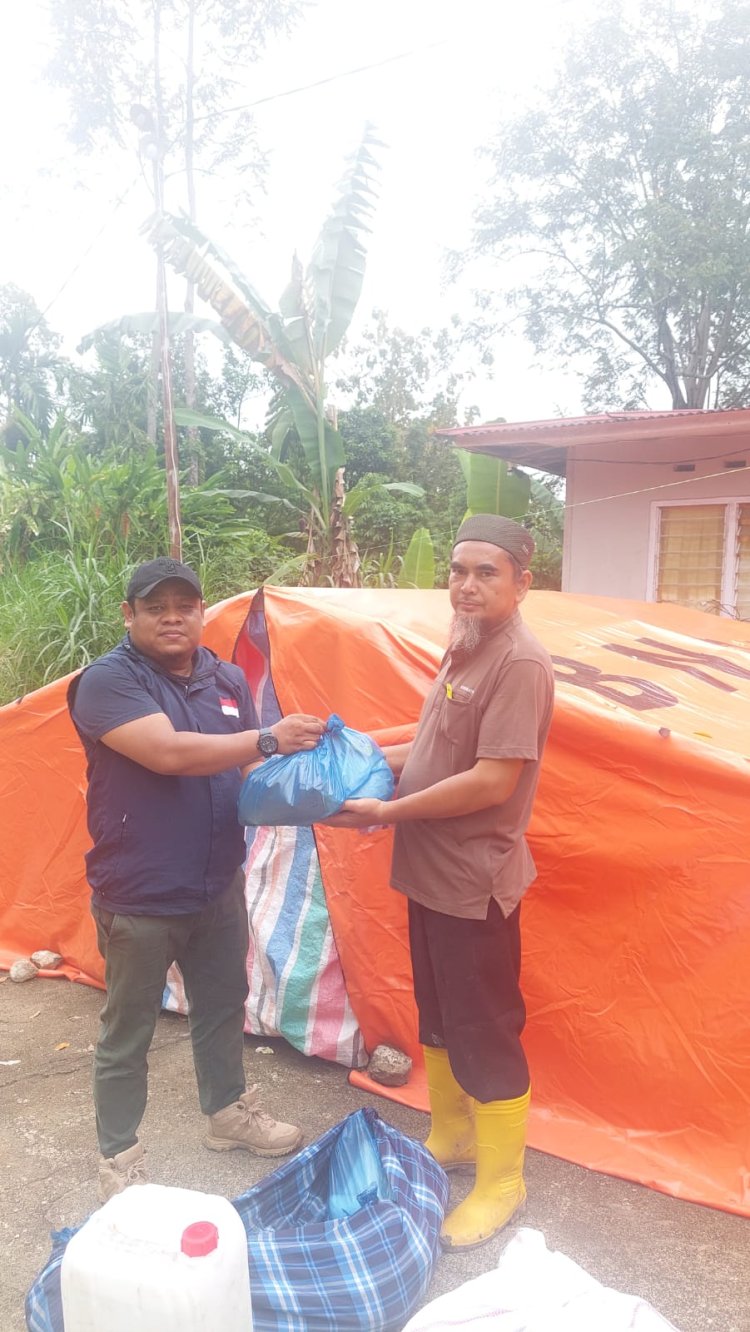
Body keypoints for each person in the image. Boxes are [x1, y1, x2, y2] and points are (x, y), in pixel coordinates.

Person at [327, 515, 554, 1250]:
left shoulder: (518, 662)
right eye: (457, 570)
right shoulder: (466, 644)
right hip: (428, 875)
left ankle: (502, 1182)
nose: (466, 584)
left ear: (524, 581)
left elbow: (493, 781)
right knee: (438, 1016)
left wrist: (389, 808)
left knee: (485, 1029)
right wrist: (352, 746)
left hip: (473, 881)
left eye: (486, 572)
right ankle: (451, 1135)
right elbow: (430, 740)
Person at [67, 557, 325, 1203]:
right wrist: (269, 740)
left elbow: (245, 775)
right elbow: (170, 752)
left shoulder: (227, 678)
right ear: (129, 616)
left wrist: (332, 795)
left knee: (223, 1005)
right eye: (156, 607)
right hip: (140, 894)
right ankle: (120, 1158)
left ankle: (228, 1114)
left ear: (203, 612)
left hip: (216, 882)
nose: (173, 617)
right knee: (129, 1031)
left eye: (185, 605)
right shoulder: (107, 682)